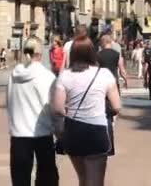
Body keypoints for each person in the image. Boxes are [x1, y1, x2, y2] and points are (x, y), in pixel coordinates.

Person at [52, 36, 121, 186]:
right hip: (97, 130)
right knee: (96, 181)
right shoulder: (104, 74)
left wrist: (71, 112)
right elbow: (117, 106)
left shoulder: (65, 76)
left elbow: (57, 108)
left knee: (82, 179)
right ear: (93, 52)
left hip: (73, 130)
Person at [6, 36, 59, 186]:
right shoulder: (47, 76)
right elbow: (52, 106)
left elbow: (9, 101)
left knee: (20, 179)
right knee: (48, 178)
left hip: (18, 134)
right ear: (41, 54)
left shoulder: (14, 75)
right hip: (42, 132)